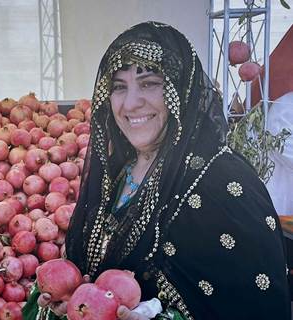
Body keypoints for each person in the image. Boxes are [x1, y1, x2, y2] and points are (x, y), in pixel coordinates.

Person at [22, 21, 291, 320]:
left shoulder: (224, 185)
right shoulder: (120, 171)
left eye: (149, 83)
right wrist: (73, 301)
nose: (130, 103)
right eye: (119, 87)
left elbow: (251, 306)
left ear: (181, 91)